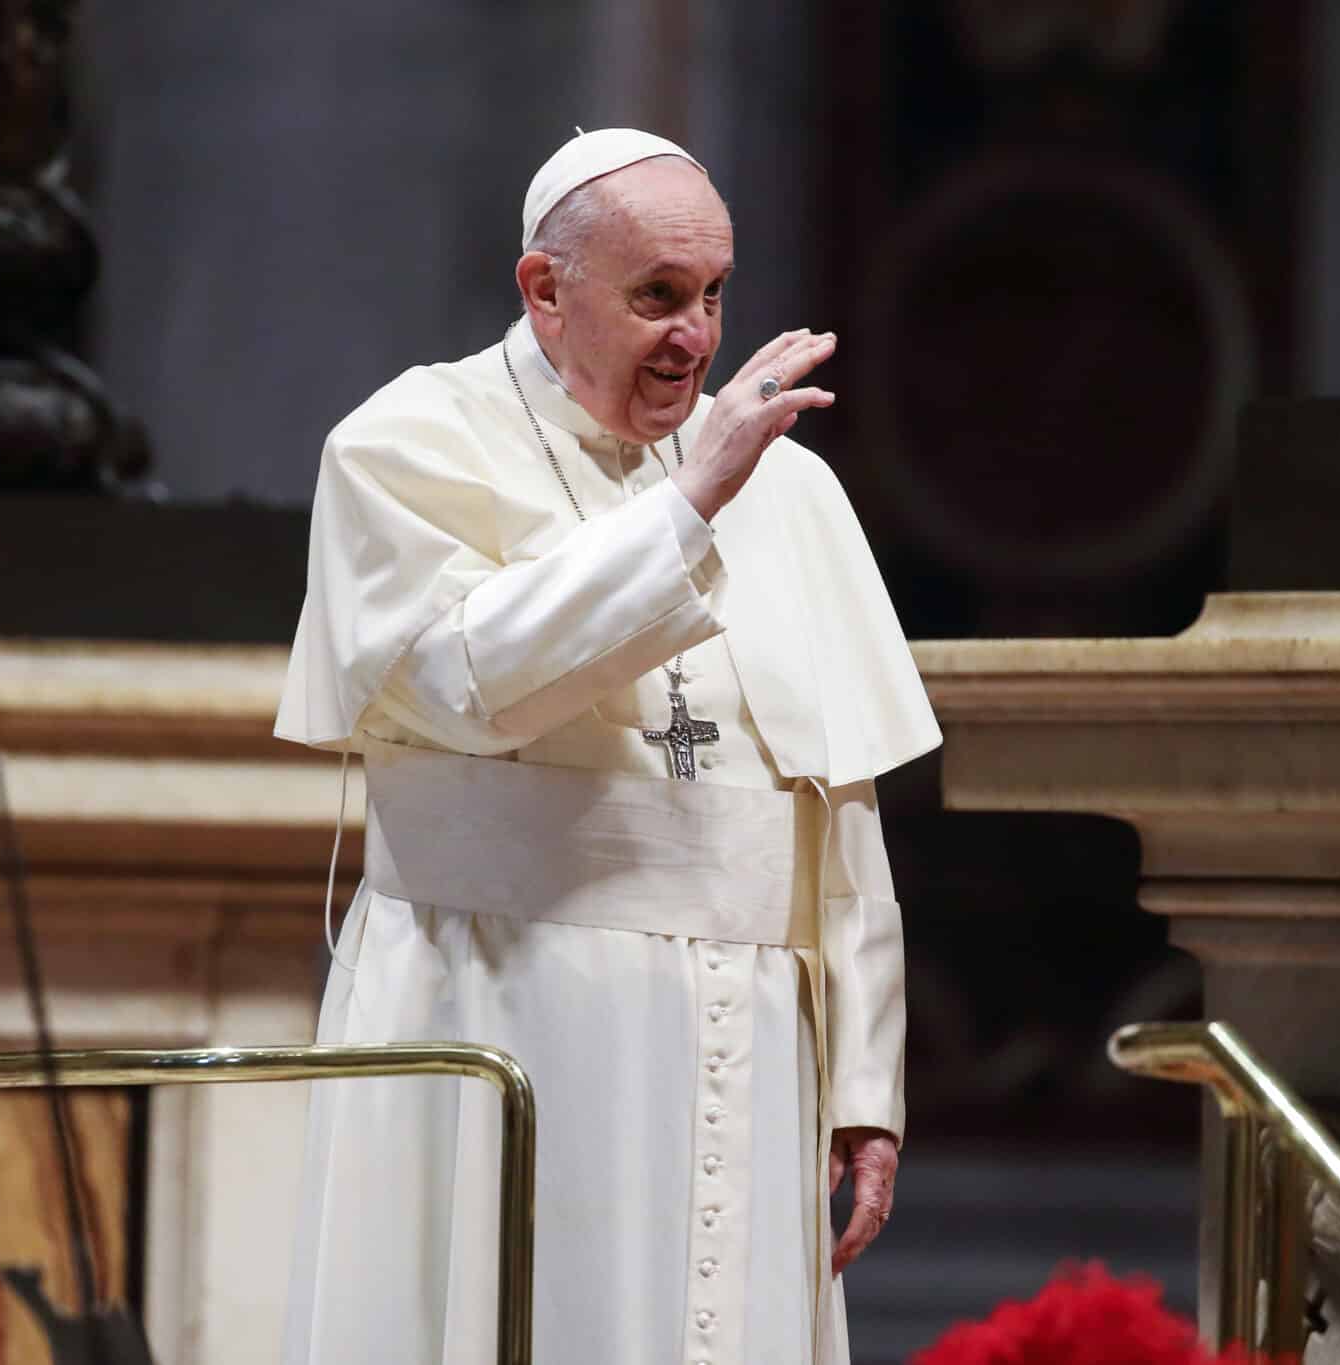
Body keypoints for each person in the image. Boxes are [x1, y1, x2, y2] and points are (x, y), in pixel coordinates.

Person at [274, 128, 939, 1365]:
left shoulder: (786, 489)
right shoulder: (403, 446)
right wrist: (686, 511)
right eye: (656, 297)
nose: (694, 336)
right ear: (543, 289)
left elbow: (832, 809)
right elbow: (468, 681)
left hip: (750, 1041)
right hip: (497, 1000)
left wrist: (863, 1081)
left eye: (713, 295)